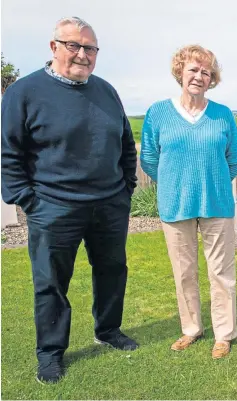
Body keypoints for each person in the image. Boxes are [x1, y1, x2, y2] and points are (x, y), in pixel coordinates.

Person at [1, 17, 139, 384]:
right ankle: (50, 353)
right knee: (50, 283)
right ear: (53, 47)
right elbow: (9, 153)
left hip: (109, 203)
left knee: (112, 271)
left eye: (90, 48)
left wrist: (125, 187)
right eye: (73, 46)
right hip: (53, 206)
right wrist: (27, 200)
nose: (82, 54)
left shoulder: (106, 91)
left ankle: (108, 330)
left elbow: (126, 142)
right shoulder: (24, 92)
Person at [141, 45, 237, 359]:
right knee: (184, 272)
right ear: (180, 72)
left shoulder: (223, 114)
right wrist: (176, 184)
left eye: (206, 72)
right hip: (175, 205)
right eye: (193, 70)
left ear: (212, 79)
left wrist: (209, 185)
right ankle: (192, 329)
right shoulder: (158, 112)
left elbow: (235, 160)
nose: (199, 76)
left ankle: (224, 334)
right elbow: (148, 158)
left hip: (218, 205)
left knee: (221, 272)